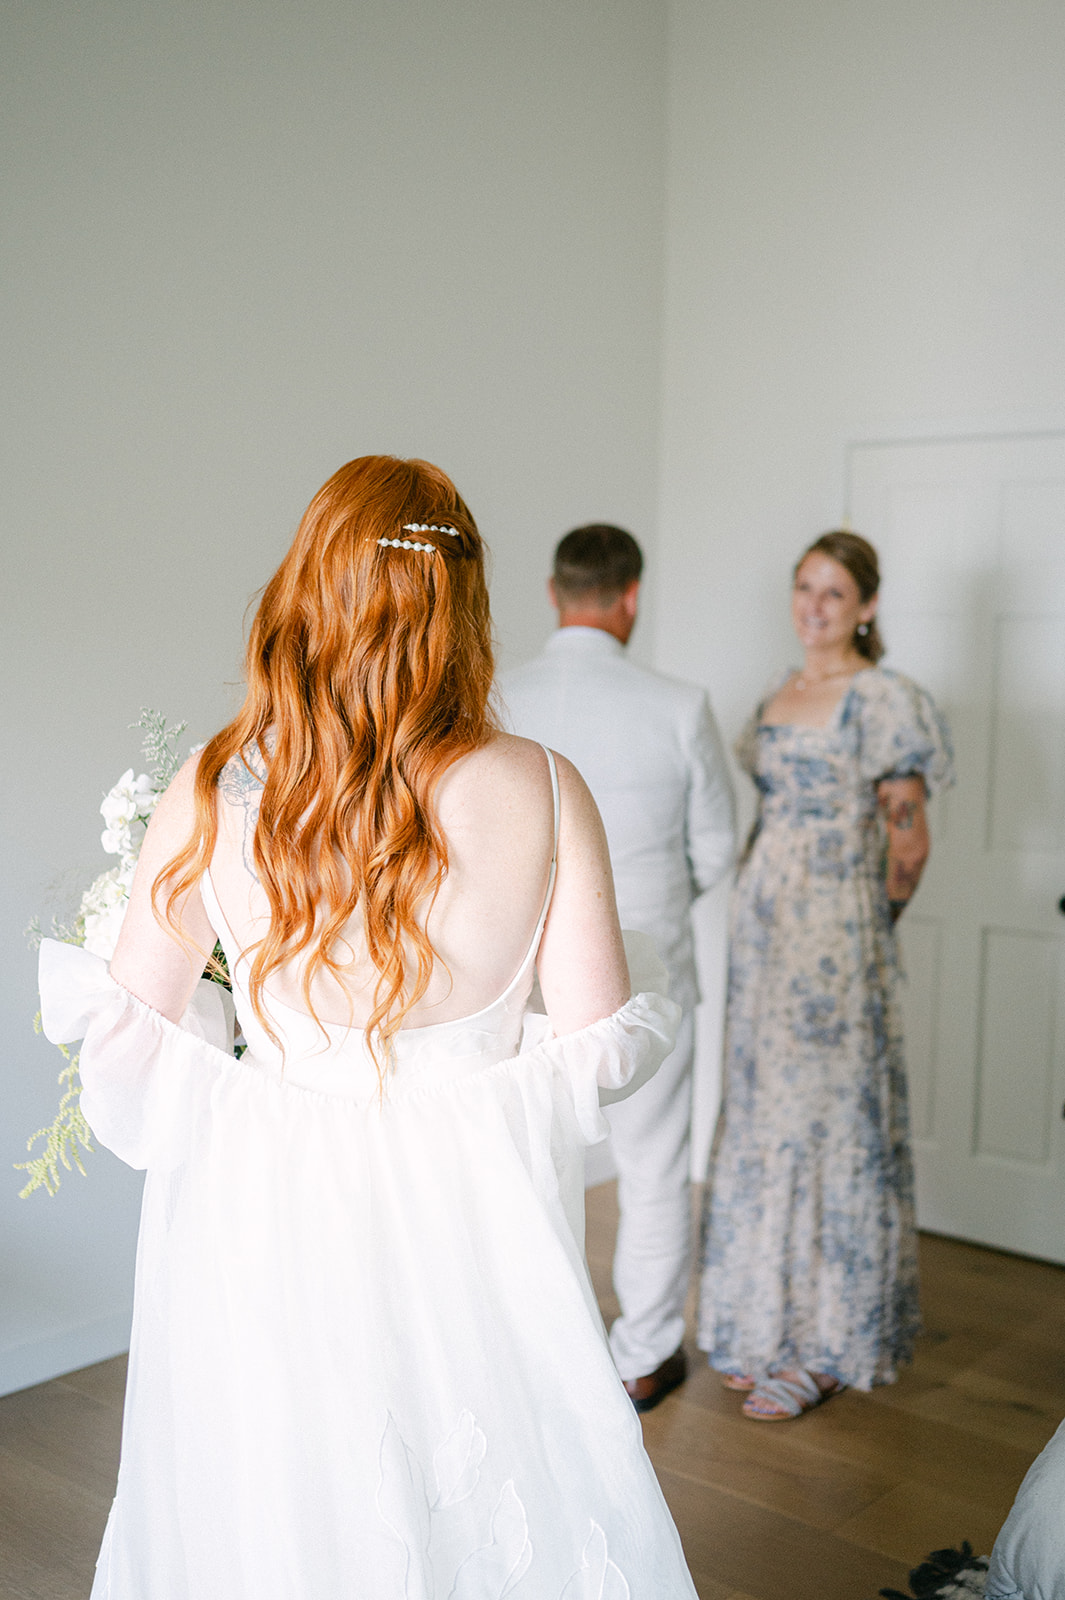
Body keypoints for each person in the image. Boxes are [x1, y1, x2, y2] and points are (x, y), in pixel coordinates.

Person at [37, 457, 701, 1597]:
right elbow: (604, 1046)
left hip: (269, 1213)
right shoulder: (545, 786)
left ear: (309, 586)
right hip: (469, 1221)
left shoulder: (214, 782)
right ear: (467, 603)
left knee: (285, 1501)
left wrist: (242, 1005)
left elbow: (127, 1044)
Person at [696, 531, 954, 1421]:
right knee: (767, 1111)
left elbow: (909, 842)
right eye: (803, 588)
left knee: (832, 1116)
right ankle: (764, 1322)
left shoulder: (881, 699)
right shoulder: (777, 693)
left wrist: (864, 924)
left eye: (833, 593)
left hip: (837, 940)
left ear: (866, 607)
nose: (813, 606)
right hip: (763, 939)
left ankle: (828, 1343)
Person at [502, 524, 736, 1411]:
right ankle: (641, 1354)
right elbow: (713, 848)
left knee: (527, 1166)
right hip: (647, 972)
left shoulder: (497, 696)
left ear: (554, 592)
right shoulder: (677, 704)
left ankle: (538, 1347)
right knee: (652, 1166)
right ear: (629, 595)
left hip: (517, 976)